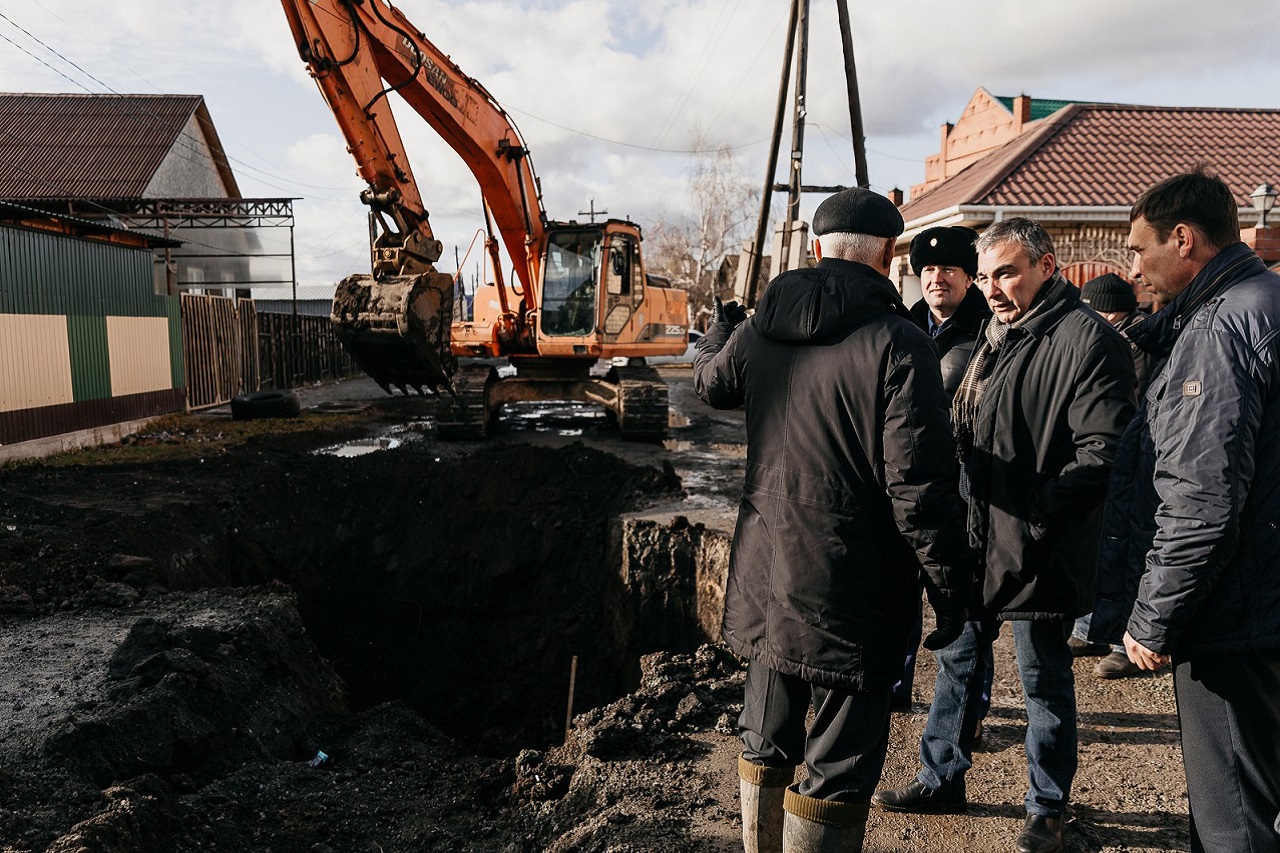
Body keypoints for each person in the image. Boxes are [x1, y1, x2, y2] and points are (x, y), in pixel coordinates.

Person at [694, 187, 974, 853]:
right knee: (838, 767)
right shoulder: (901, 343)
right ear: (890, 256)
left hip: (767, 579)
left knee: (765, 736)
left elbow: (711, 382)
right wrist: (949, 588)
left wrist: (715, 330)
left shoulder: (762, 327)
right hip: (853, 589)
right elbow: (920, 486)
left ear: (816, 249)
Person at [872, 217, 1135, 853]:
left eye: (1007, 272)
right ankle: (943, 776)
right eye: (986, 275)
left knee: (1043, 679)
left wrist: (1038, 513)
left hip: (1036, 546)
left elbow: (1102, 453)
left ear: (1049, 267)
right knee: (957, 662)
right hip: (976, 535)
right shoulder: (999, 332)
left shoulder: (1087, 341)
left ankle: (1047, 809)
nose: (992, 287)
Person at [1090, 167, 1280, 853]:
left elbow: (1201, 494)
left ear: (1184, 238)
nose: (1131, 268)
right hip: (1263, 599)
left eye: (1139, 250)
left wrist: (1154, 614)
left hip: (1234, 614)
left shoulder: (1223, 328)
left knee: (1233, 814)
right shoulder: (1264, 300)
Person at [894, 227, 994, 722]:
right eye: (929, 270)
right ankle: (897, 686)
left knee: (965, 605)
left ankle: (969, 709)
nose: (937, 279)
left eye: (948, 270)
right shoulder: (903, 325)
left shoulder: (988, 330)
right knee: (902, 592)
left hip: (964, 487)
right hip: (911, 482)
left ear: (968, 276)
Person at [1069, 272, 1154, 679]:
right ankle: (1091, 630)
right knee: (1103, 547)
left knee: (1127, 552)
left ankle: (1126, 640)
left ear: (1106, 308)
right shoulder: (1119, 337)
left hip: (1136, 463)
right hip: (1120, 460)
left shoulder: (1130, 343)